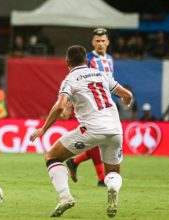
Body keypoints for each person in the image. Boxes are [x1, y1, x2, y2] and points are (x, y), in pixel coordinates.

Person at [30, 45, 133, 218]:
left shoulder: (70, 79)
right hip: (115, 129)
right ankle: (113, 189)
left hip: (92, 128)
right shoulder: (101, 74)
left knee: (52, 156)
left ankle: (65, 197)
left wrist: (44, 128)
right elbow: (126, 94)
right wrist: (128, 100)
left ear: (67, 62)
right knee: (113, 172)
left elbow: (60, 105)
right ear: (86, 61)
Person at [66, 28, 113, 187]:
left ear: (107, 42)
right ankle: (101, 178)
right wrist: (68, 105)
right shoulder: (89, 59)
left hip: (105, 105)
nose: (100, 44)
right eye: (97, 41)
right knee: (98, 139)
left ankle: (75, 162)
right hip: (90, 106)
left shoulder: (110, 59)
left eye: (103, 41)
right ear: (93, 42)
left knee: (101, 141)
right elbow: (76, 82)